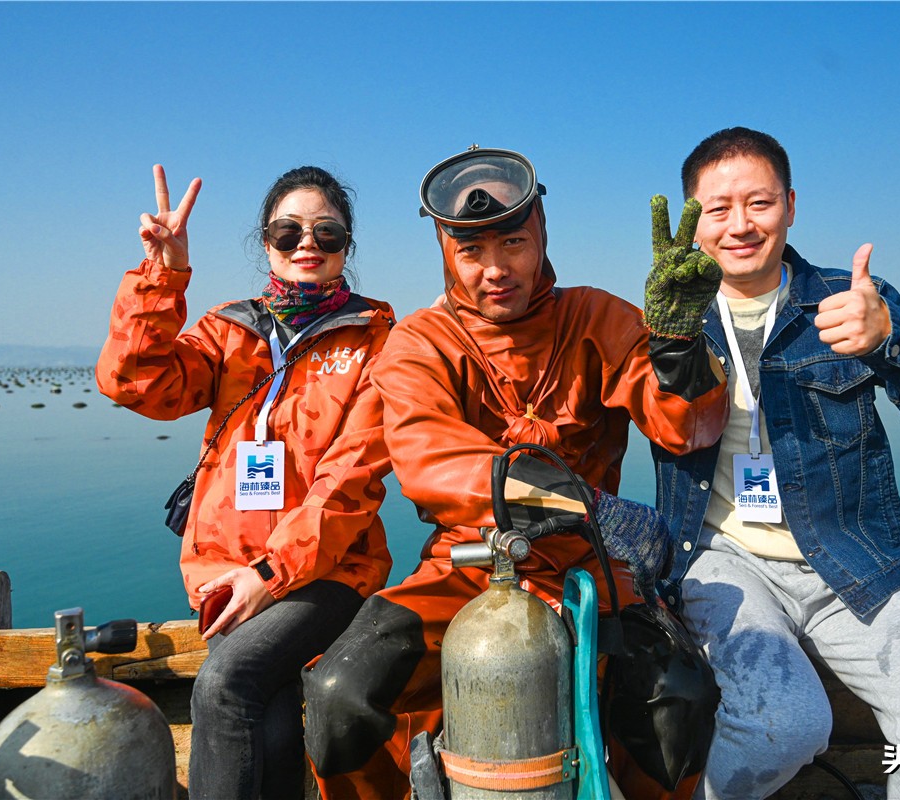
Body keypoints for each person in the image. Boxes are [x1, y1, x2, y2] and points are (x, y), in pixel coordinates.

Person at [302, 146, 730, 798]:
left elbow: (690, 426)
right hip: (464, 566)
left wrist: (675, 344)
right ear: (446, 250)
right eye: (472, 252)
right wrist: (589, 505)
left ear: (542, 235)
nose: (496, 269)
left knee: (680, 699)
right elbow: (427, 459)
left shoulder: (597, 317)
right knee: (339, 695)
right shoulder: (418, 341)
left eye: (515, 243)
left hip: (589, 566)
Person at [653, 127, 900, 799]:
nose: (740, 224)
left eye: (759, 203)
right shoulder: (668, 319)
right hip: (721, 560)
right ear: (692, 221)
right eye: (718, 208)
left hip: (854, 554)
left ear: (790, 206)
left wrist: (890, 339)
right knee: (783, 724)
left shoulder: (851, 298)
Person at [96, 164, 395, 799]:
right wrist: (162, 274)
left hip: (325, 572)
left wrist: (268, 575)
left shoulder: (377, 342)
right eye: (288, 232)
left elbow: (350, 483)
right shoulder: (229, 331)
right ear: (266, 242)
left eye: (326, 232)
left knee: (227, 685)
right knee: (272, 724)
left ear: (348, 244)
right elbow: (135, 381)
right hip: (226, 574)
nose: (306, 243)